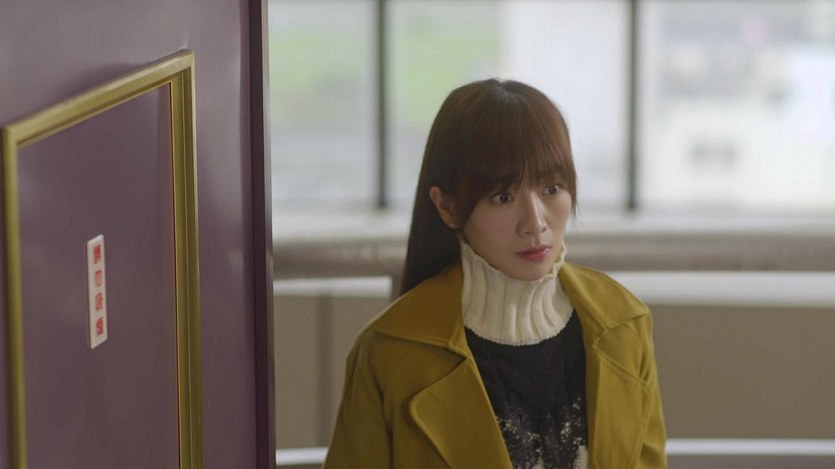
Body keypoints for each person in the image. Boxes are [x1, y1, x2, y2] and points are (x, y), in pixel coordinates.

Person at [324, 79, 667, 469]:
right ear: (447, 206)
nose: (535, 223)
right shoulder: (391, 350)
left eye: (552, 188)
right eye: (503, 197)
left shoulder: (623, 322)